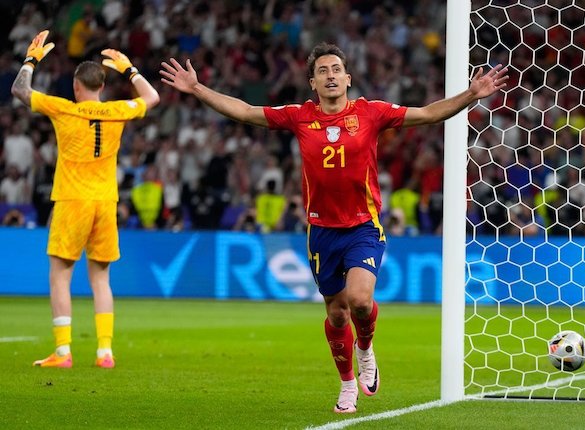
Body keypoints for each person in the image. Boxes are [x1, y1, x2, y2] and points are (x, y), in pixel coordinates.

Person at [160, 42, 507, 413]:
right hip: (321, 229)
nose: (330, 75)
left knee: (359, 300)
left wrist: (471, 95)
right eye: (323, 71)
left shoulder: (371, 113)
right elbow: (245, 111)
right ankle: (346, 384)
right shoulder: (299, 115)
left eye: (336, 69)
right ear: (313, 82)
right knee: (336, 313)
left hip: (363, 225)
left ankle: (366, 349)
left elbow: (426, 113)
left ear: (348, 78)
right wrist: (197, 88)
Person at [12, 30, 160, 368]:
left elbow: (20, 90)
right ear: (102, 87)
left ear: (77, 87)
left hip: (72, 199)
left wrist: (31, 59)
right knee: (101, 278)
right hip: (105, 202)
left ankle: (63, 352)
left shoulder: (64, 108)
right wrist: (129, 68)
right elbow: (152, 98)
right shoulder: (119, 111)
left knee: (61, 274)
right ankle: (104, 351)